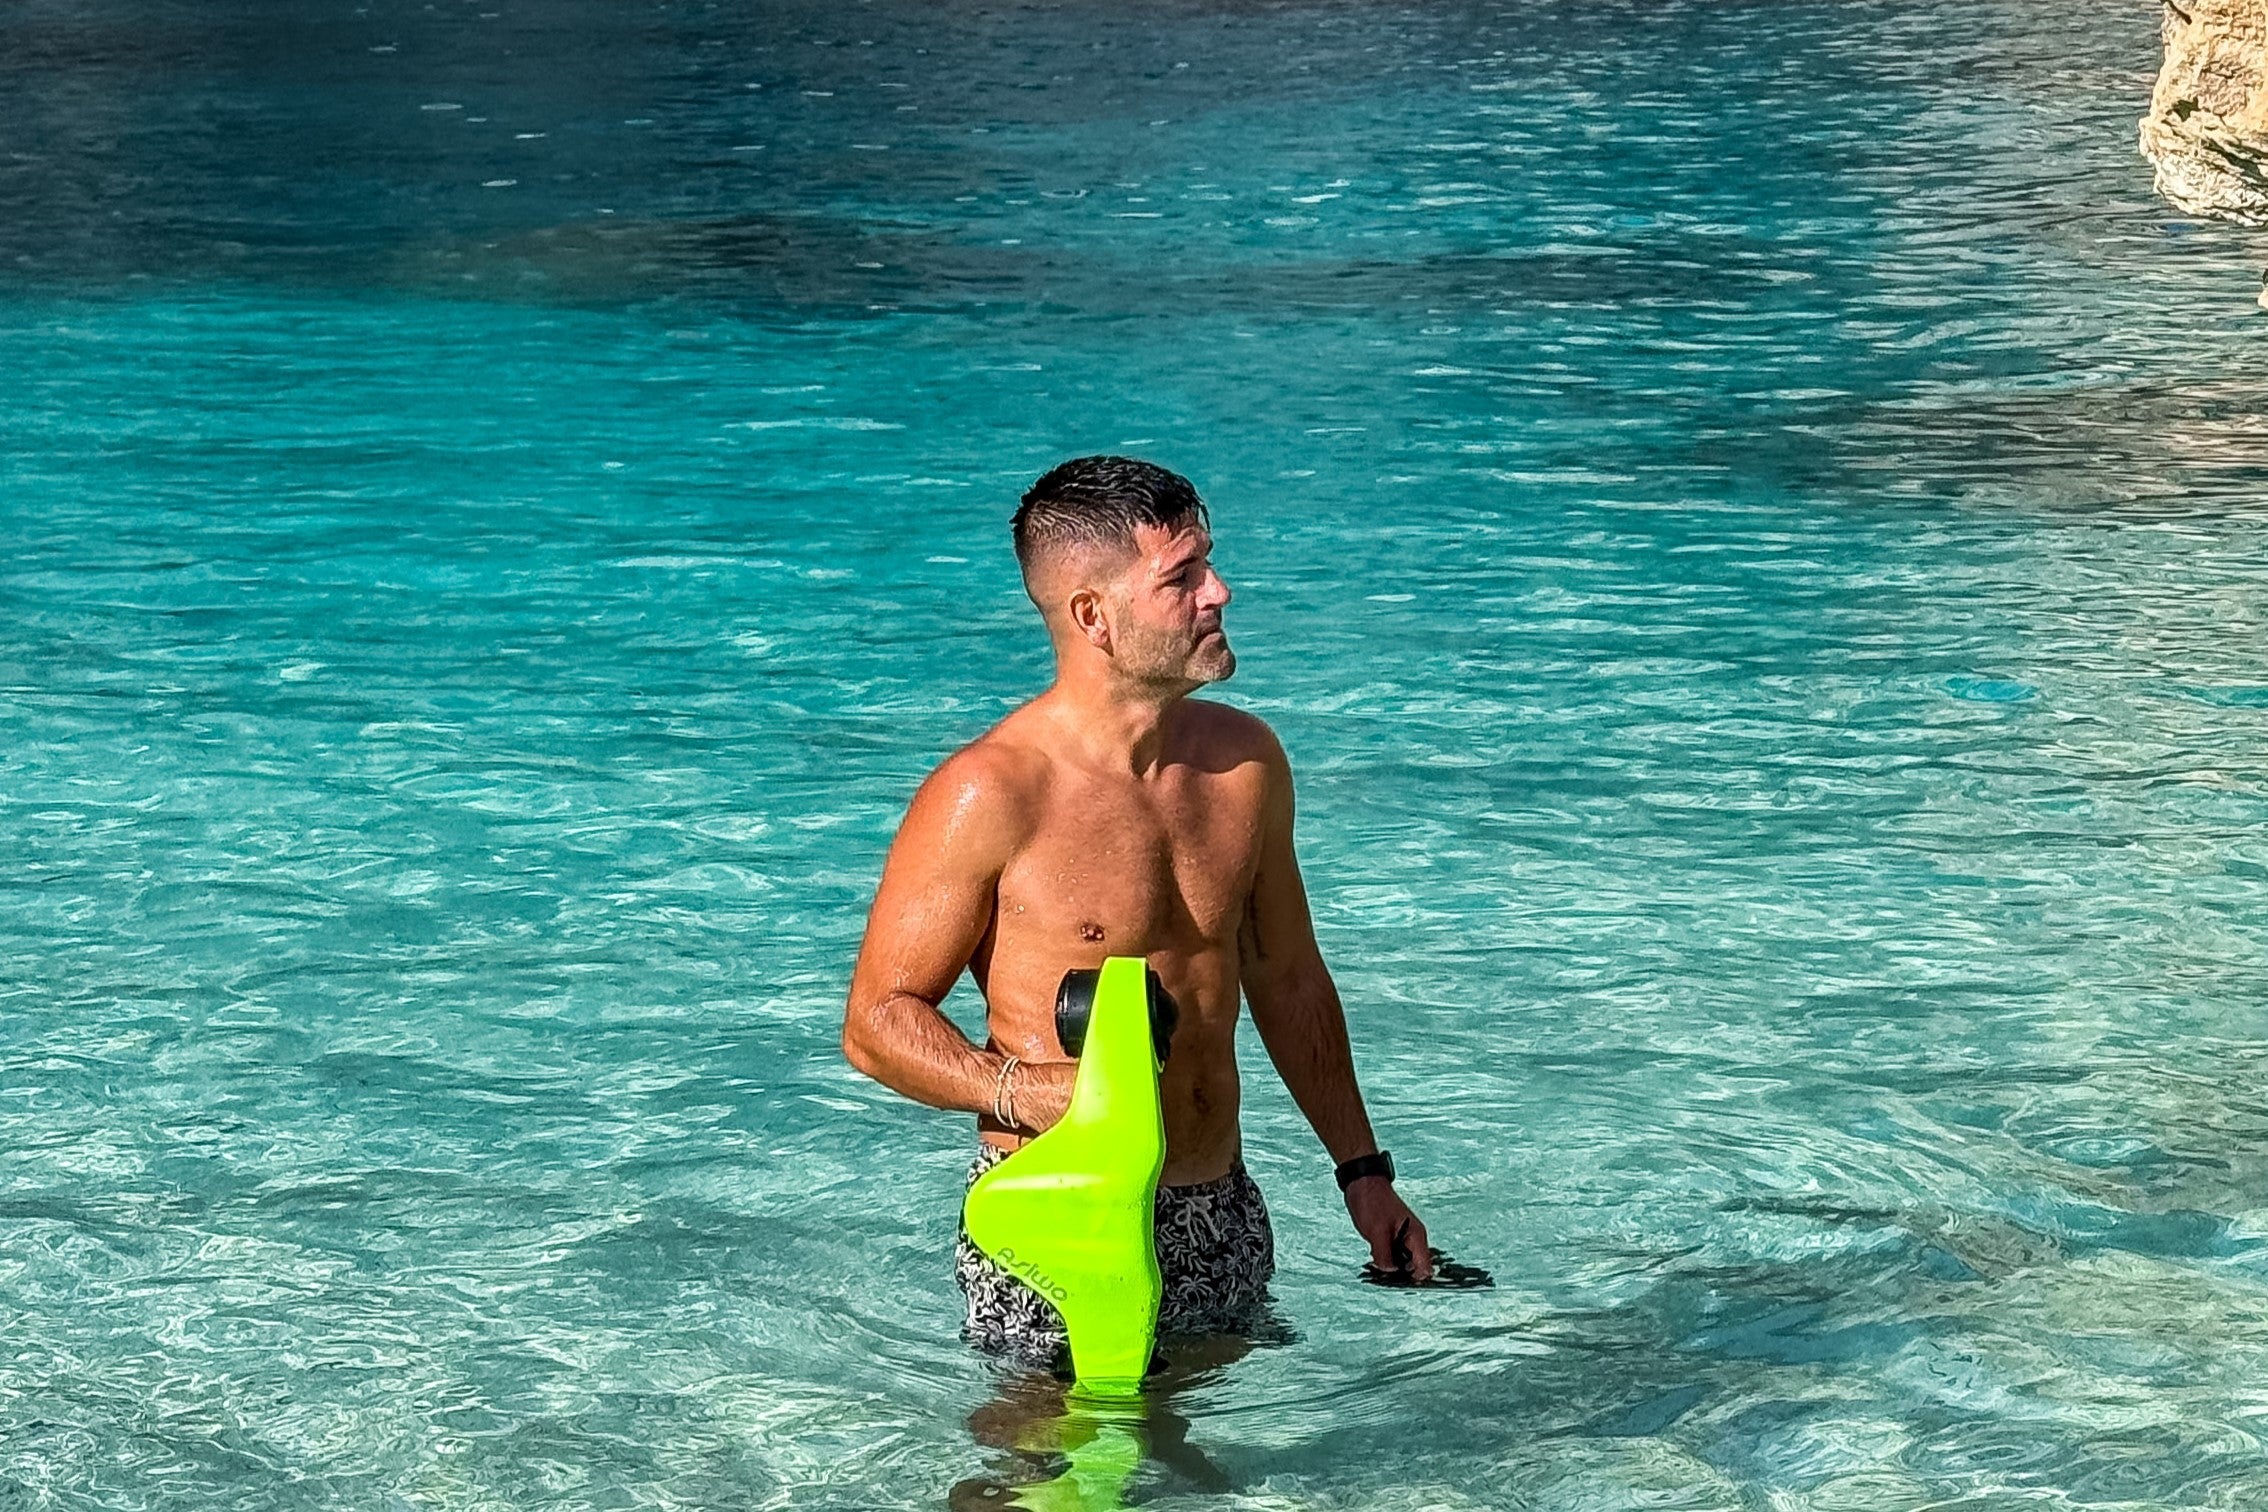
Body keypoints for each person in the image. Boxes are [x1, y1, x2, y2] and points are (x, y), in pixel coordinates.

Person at [842, 454, 1433, 1367]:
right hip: (1064, 1206)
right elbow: (877, 1024)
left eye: (1209, 564)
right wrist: (1020, 1088)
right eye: (1182, 577)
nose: (1220, 592)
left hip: (1221, 1203)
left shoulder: (1246, 764)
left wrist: (1362, 1172)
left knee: (1187, 1472)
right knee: (1045, 1481)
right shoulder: (991, 793)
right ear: (1092, 615)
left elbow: (1287, 977)